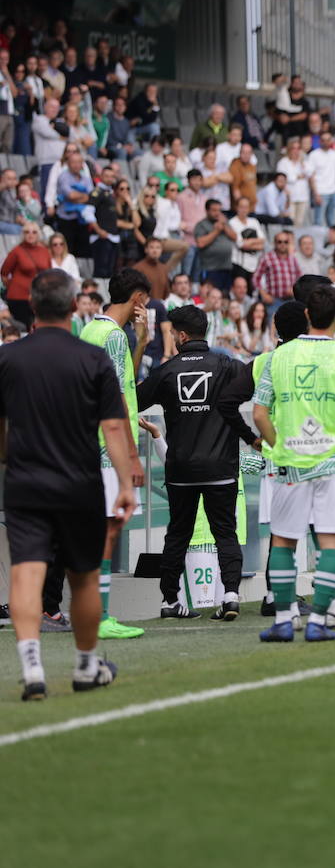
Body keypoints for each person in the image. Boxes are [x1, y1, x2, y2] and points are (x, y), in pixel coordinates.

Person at [0, 270, 135, 700]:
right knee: (84, 578)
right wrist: (126, 484)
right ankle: (85, 666)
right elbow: (114, 427)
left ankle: (33, 669)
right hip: (79, 482)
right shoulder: (93, 359)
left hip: (25, 480)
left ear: (33, 308)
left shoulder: (8, 358)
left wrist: (7, 456)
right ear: (76, 305)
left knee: (25, 574)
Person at [252, 286, 335, 642]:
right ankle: (319, 621)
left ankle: (282, 619)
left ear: (307, 315)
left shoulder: (279, 356)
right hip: (333, 461)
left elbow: (259, 414)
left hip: (290, 464)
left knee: (283, 542)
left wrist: (279, 445)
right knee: (330, 543)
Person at [136, 304, 258, 620]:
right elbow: (258, 379)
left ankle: (169, 601)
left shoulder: (166, 371)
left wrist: (137, 347)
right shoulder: (228, 366)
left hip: (182, 471)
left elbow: (132, 400)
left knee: (178, 534)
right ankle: (231, 596)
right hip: (221, 467)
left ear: (182, 334)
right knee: (225, 532)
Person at [77, 268, 152, 639]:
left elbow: (123, 380)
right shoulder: (112, 336)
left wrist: (141, 342)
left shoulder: (93, 330)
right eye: (147, 300)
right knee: (106, 533)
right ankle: (100, 616)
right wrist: (132, 456)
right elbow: (118, 395)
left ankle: (91, 612)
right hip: (109, 448)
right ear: (138, 299)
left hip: (88, 443)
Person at [1, 221, 51, 327]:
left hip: (39, 296)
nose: (30, 235)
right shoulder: (17, 251)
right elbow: (4, 273)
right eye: (27, 232)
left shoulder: (44, 251)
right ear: (23, 234)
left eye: (34, 232)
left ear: (38, 234)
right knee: (22, 328)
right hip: (19, 298)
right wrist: (13, 287)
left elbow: (48, 273)